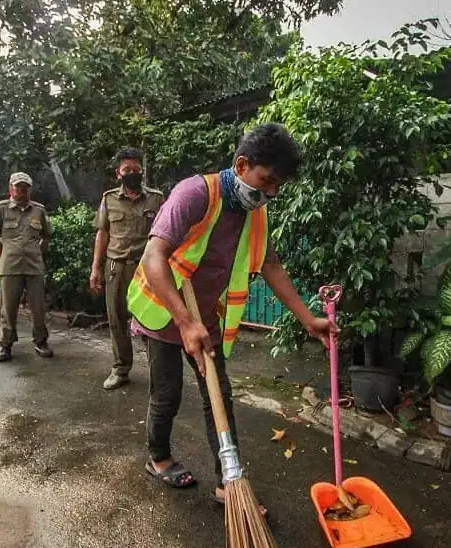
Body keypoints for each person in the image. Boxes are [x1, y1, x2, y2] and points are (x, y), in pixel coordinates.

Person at [127, 123, 337, 511]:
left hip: (204, 316)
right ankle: (158, 457)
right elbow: (153, 257)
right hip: (162, 310)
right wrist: (184, 322)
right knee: (167, 394)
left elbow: (270, 265)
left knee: (218, 395)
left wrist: (309, 319)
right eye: (266, 181)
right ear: (242, 164)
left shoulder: (254, 209)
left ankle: (229, 482)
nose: (270, 193)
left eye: (277, 187)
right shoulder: (195, 193)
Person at [90, 147, 165, 390]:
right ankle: (121, 369)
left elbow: (166, 232)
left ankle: (158, 370)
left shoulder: (156, 198)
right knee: (116, 319)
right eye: (127, 170)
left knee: (151, 319)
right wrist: (95, 269)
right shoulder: (108, 199)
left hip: (147, 268)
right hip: (117, 267)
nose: (132, 173)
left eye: (136, 169)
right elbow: (102, 234)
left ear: (142, 171)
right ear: (118, 173)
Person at [0, 172, 54, 362]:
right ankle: (5, 344)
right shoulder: (0, 209)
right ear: (11, 189)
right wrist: (3, 255)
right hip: (10, 266)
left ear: (30, 190)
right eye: (17, 188)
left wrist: (39, 251)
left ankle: (41, 342)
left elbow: (47, 234)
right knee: (8, 308)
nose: (21, 191)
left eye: (25, 188)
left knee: (38, 307)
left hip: (34, 266)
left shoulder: (39, 210)